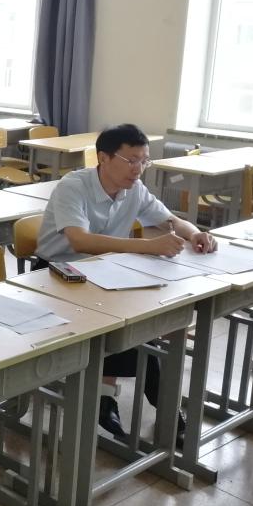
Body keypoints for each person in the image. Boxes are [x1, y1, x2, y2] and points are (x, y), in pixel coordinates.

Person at [36, 123, 216, 441]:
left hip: (105, 271)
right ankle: (156, 407)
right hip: (56, 275)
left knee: (143, 323)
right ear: (103, 158)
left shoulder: (135, 189)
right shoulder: (73, 186)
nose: (138, 169)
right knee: (134, 333)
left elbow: (170, 220)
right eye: (131, 160)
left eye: (144, 161)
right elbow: (80, 241)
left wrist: (194, 234)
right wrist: (146, 246)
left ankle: (118, 399)